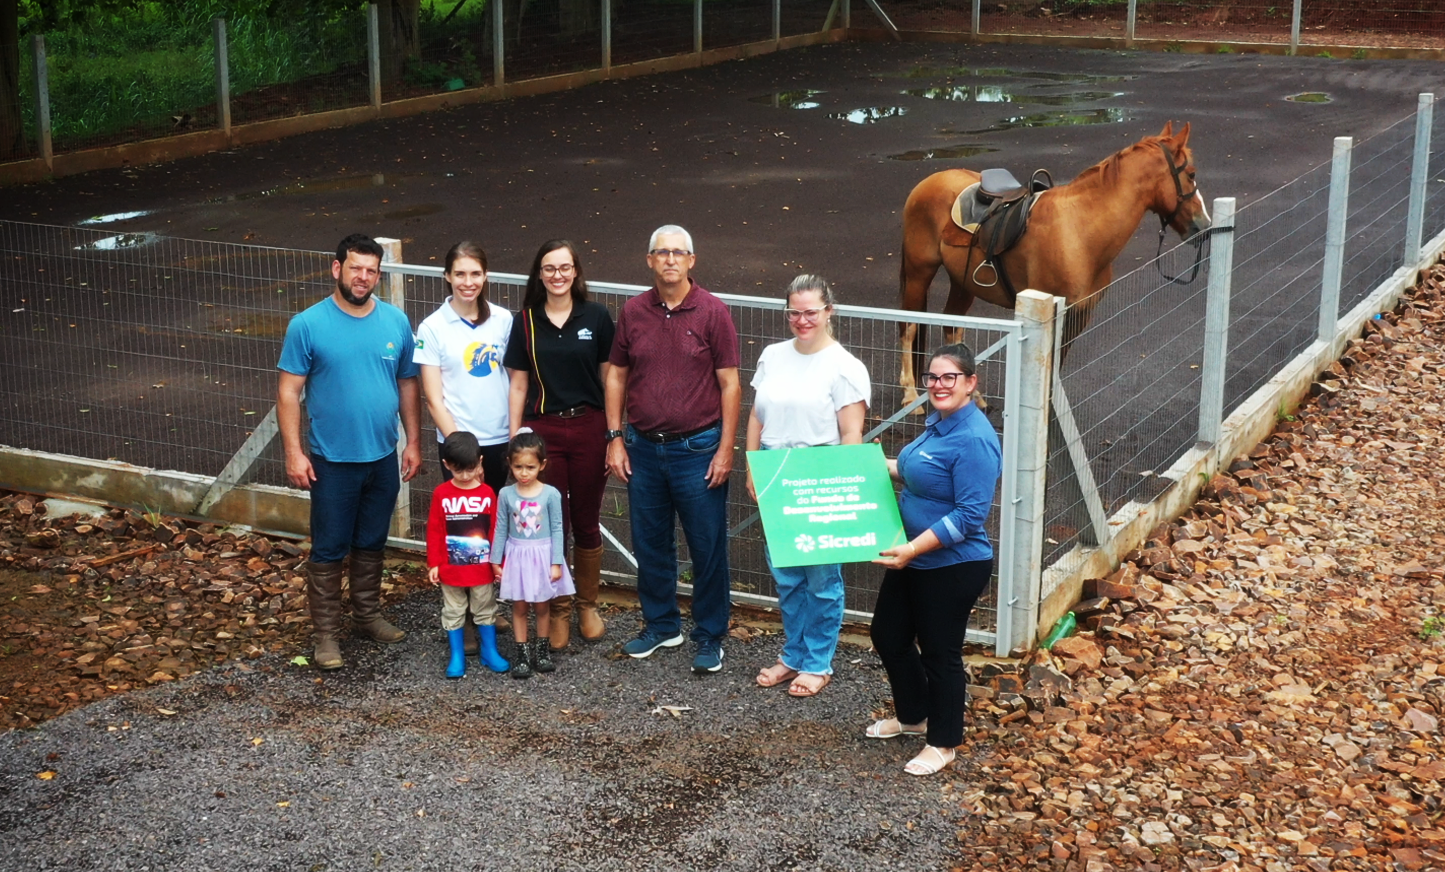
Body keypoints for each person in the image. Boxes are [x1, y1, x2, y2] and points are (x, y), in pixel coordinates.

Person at [278, 233, 422, 671]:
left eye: (371, 270)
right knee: (329, 548)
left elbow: (407, 384)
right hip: (330, 460)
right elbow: (288, 392)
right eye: (356, 268)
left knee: (371, 541)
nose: (363, 277)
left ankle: (366, 615)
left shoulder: (395, 322)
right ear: (336, 268)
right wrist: (293, 452)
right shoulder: (307, 325)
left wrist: (413, 440)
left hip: (381, 457)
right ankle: (325, 635)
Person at [605, 225, 741, 675]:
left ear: (691, 261)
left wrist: (725, 450)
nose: (669, 260)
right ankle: (662, 624)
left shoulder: (713, 313)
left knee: (707, 546)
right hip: (643, 449)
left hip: (698, 450)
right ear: (649, 260)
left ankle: (709, 634)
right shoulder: (633, 312)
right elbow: (617, 376)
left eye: (678, 253)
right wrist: (615, 437)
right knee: (650, 544)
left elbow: (730, 384)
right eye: (661, 253)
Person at [869, 343, 1001, 776]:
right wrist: (862, 465)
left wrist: (911, 548)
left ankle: (943, 743)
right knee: (888, 635)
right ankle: (913, 718)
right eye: (932, 377)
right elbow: (914, 470)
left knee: (940, 653)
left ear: (970, 383)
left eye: (949, 378)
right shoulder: (939, 424)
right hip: (913, 558)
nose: (938, 385)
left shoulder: (975, 439)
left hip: (952, 564)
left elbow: (968, 516)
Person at [745, 274, 870, 698]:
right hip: (775, 472)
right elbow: (757, 416)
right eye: (794, 313)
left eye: (810, 312)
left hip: (818, 475)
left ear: (828, 312)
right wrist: (753, 466)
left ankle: (818, 661)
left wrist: (842, 488)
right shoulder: (772, 356)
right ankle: (794, 654)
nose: (802, 320)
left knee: (821, 579)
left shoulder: (845, 366)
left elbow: (851, 434)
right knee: (786, 575)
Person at [504, 239, 614, 652]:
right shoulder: (526, 321)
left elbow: (610, 380)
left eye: (565, 267)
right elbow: (518, 383)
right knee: (553, 524)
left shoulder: (598, 317)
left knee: (586, 518)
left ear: (576, 272)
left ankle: (587, 606)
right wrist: (517, 436)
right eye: (549, 268)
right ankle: (560, 607)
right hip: (544, 431)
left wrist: (615, 433)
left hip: (589, 427)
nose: (558, 275)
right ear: (539, 274)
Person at [416, 241, 513, 492]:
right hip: (456, 443)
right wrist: (465, 455)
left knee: (496, 522)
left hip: (500, 439)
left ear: (485, 275)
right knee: (464, 525)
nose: (468, 282)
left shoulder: (503, 319)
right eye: (460, 274)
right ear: (447, 276)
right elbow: (433, 400)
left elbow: (517, 382)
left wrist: (515, 435)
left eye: (475, 274)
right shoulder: (431, 327)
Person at [490, 431, 575, 680]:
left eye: (530, 467)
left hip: (542, 557)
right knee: (518, 605)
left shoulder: (550, 494)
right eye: (518, 467)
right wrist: (496, 560)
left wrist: (556, 562)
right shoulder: (506, 495)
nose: (524, 473)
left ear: (542, 465)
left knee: (541, 605)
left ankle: (542, 650)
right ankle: (522, 654)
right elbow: (501, 528)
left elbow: (559, 528)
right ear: (510, 464)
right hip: (517, 557)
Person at [427, 430, 510, 678]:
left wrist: (498, 562)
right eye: (457, 470)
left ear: (480, 462)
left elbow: (495, 529)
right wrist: (434, 563)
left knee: (485, 607)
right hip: (451, 568)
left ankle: (490, 651)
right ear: (446, 464)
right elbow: (434, 529)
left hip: (482, 567)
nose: (464, 476)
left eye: (470, 469)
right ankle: (457, 654)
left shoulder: (487, 494)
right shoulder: (441, 493)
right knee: (453, 610)